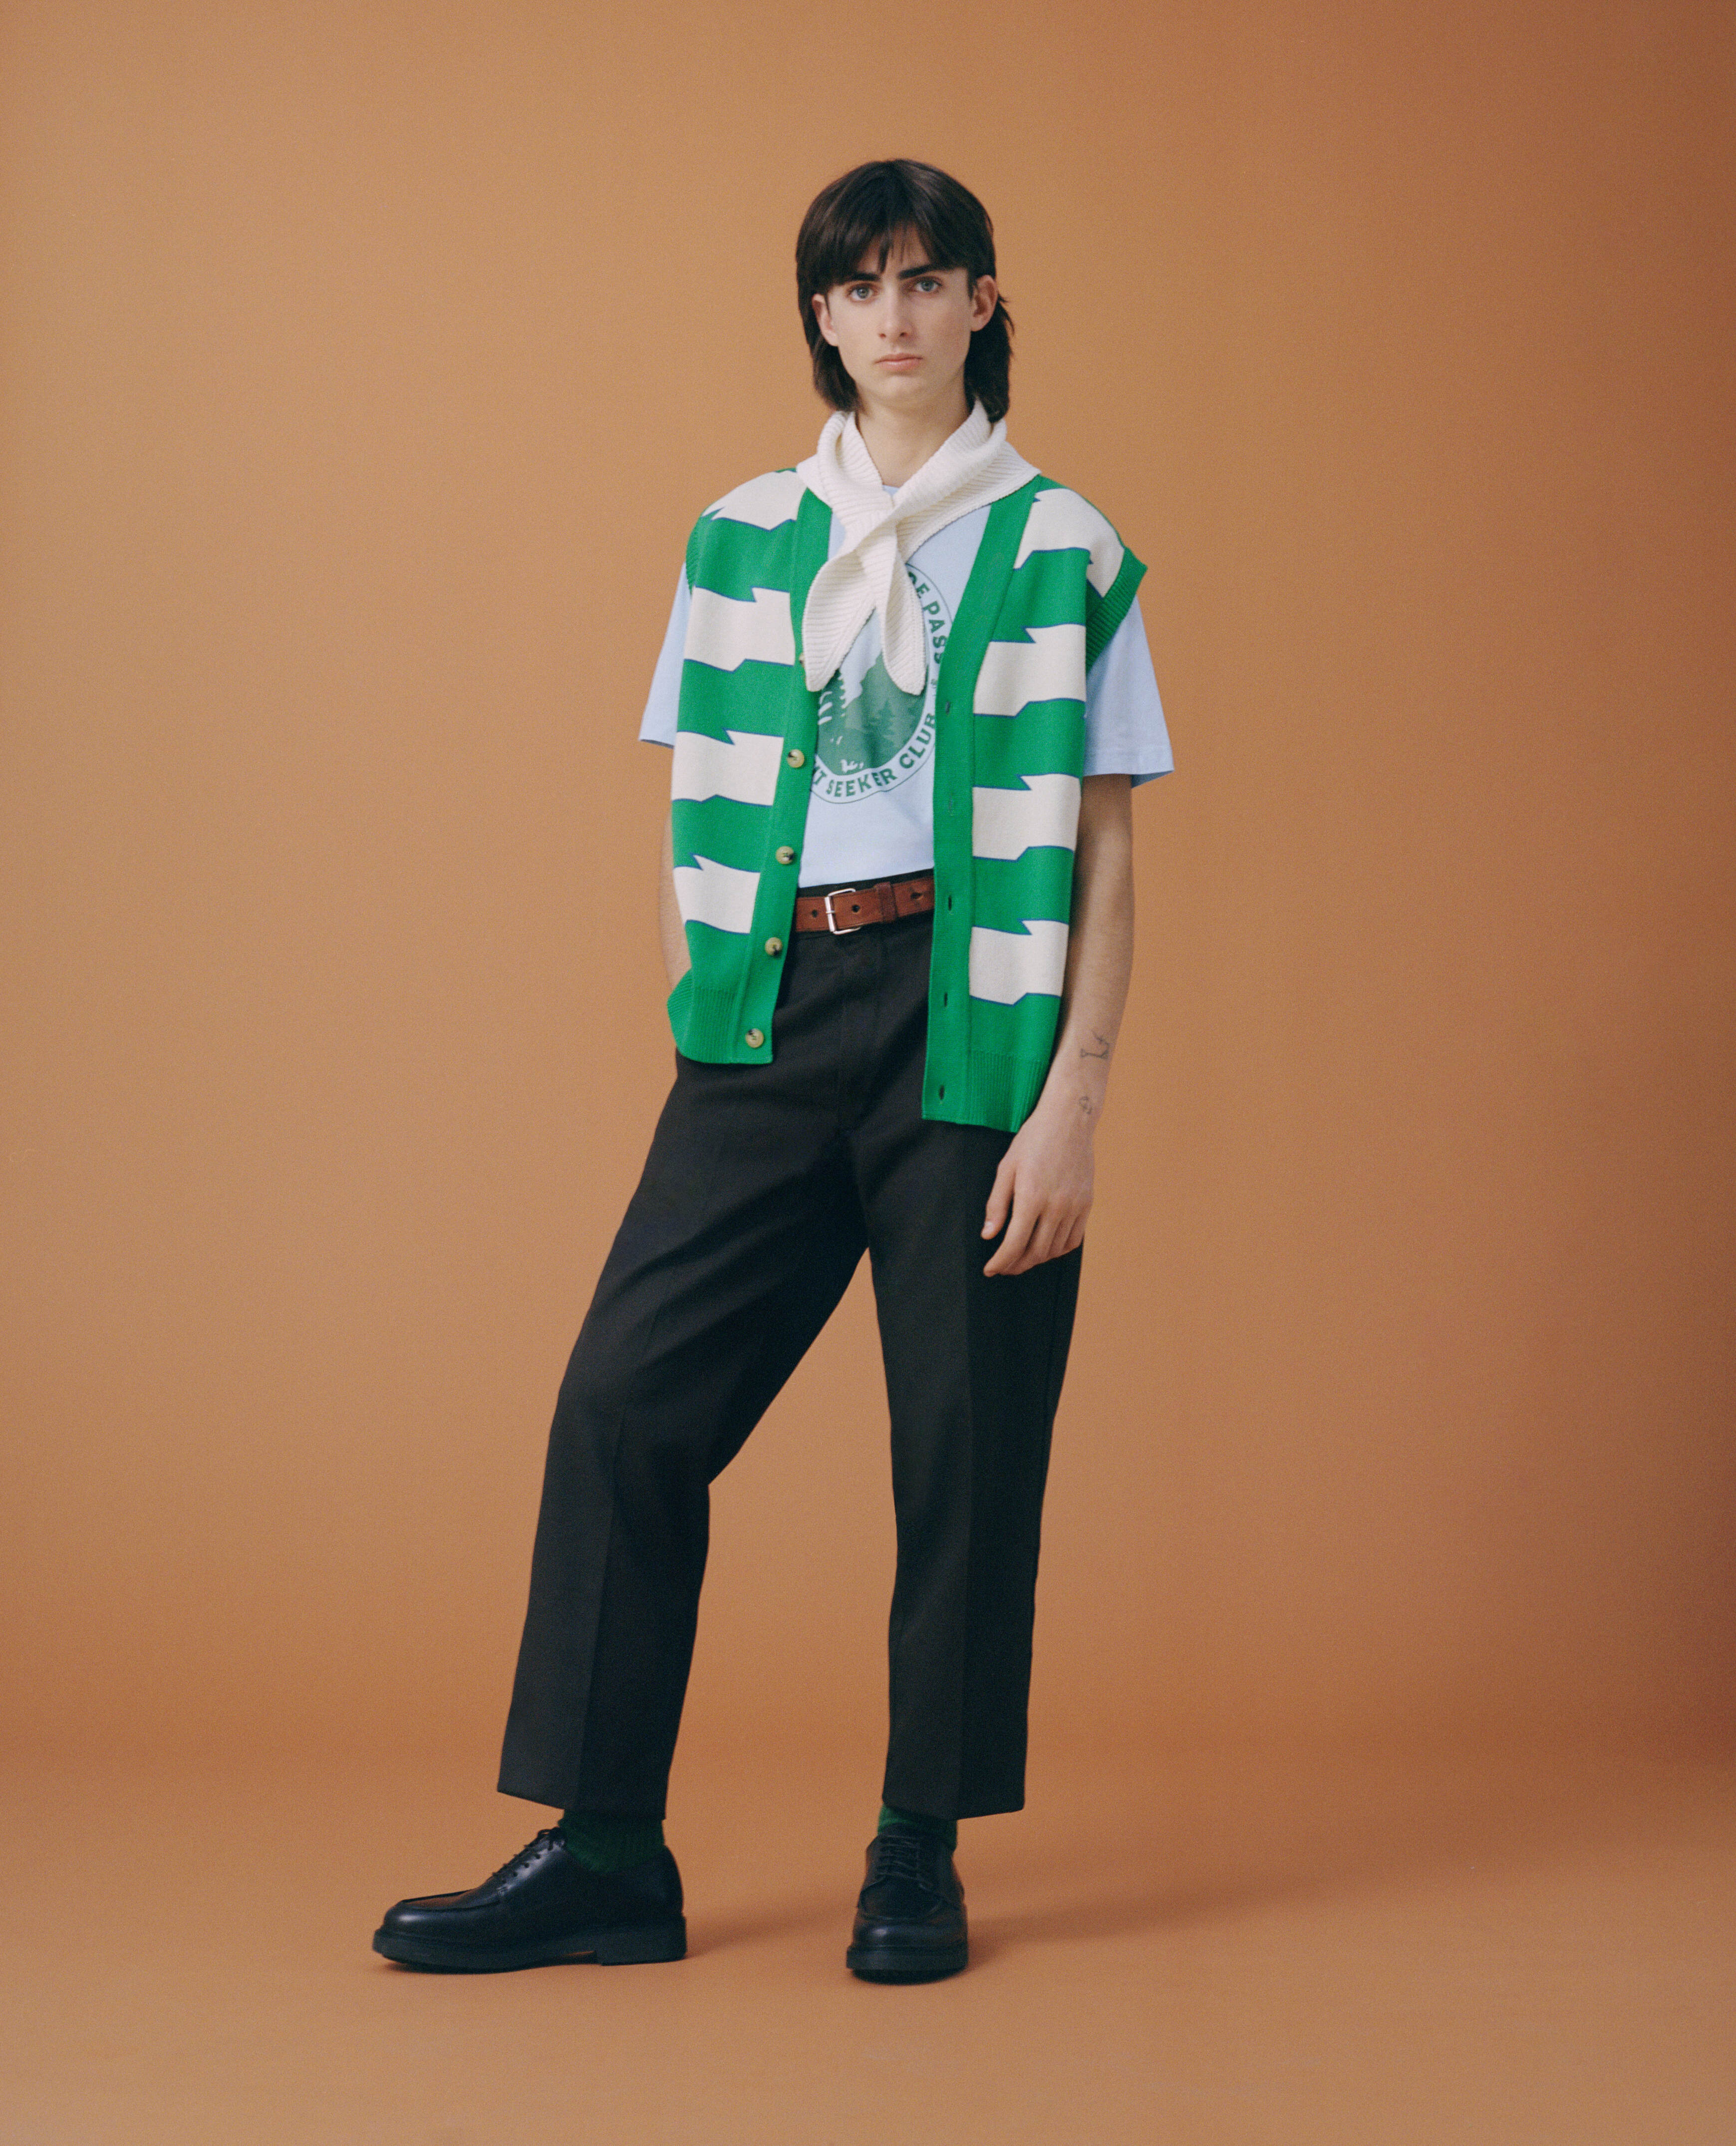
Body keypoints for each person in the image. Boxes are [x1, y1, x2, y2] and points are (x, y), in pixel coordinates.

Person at [373, 157, 1171, 1983]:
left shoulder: (1067, 548)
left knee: (965, 1442)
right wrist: (706, 990)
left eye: (929, 279)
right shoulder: (739, 537)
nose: (896, 314)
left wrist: (1073, 1100)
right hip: (772, 1018)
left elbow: (1112, 852)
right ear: (822, 313)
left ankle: (917, 1846)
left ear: (982, 303)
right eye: (861, 284)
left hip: (975, 1020)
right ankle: (605, 1849)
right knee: (625, 1400)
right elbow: (693, 791)